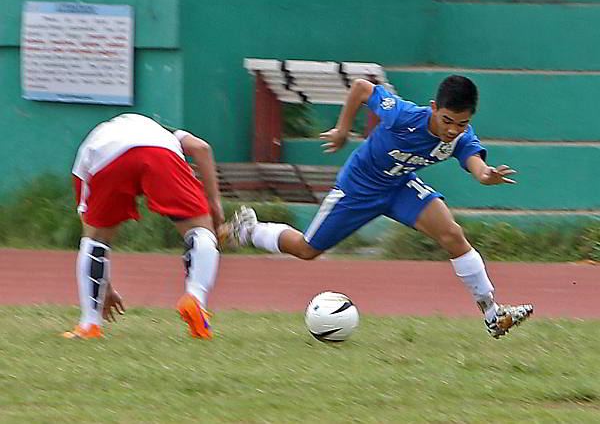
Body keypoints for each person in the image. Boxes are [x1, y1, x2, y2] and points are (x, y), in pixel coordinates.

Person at [228, 75, 533, 338]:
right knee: (307, 249)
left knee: (452, 234)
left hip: (398, 186)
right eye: (447, 120)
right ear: (434, 108)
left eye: (462, 123)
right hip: (358, 187)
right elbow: (362, 88)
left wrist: (486, 176)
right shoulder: (403, 115)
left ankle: (493, 314)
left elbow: (476, 164)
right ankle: (251, 229)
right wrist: (343, 129)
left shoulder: (462, 137)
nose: (453, 129)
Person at [62, 113, 224, 339]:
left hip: (107, 158)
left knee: (95, 239)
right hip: (161, 154)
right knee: (199, 231)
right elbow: (202, 148)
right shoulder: (166, 135)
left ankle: (89, 324)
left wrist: (104, 286)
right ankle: (195, 298)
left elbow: (88, 226)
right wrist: (214, 202)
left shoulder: (91, 147)